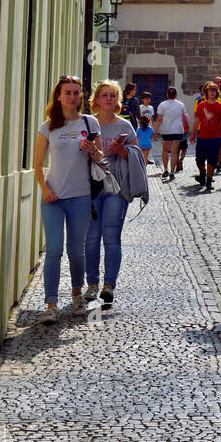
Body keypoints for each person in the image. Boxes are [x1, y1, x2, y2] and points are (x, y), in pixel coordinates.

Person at [33, 76, 105, 323]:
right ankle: (51, 305)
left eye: (76, 93)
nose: (72, 97)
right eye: (67, 93)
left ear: (80, 97)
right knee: (54, 250)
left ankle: (76, 296)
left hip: (80, 197)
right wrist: (44, 189)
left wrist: (92, 150)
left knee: (76, 251)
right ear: (58, 96)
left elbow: (100, 158)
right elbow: (38, 164)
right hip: (53, 198)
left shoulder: (90, 122)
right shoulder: (48, 126)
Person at [83, 80, 138, 306]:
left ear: (118, 101)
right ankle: (92, 284)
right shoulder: (86, 123)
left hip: (116, 187)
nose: (109, 99)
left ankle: (109, 285)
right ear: (96, 99)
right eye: (104, 95)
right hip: (91, 188)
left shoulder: (125, 127)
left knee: (112, 238)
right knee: (92, 238)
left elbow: (138, 160)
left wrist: (122, 151)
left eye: (113, 96)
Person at [192, 81, 221, 191]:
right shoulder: (201, 105)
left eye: (213, 91)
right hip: (202, 137)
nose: (211, 93)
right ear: (206, 92)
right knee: (199, 161)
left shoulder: (220, 106)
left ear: (217, 93)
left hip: (215, 138)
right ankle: (202, 172)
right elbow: (197, 120)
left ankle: (208, 181)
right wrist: (193, 134)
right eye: (209, 91)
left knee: (212, 161)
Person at [154, 87, 186, 180]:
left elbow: (159, 119)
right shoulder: (181, 105)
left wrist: (155, 132)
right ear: (176, 95)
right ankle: (172, 172)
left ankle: (165, 170)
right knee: (174, 152)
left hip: (166, 131)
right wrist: (184, 131)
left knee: (165, 150)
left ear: (167, 95)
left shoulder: (162, 105)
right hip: (178, 131)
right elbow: (183, 119)